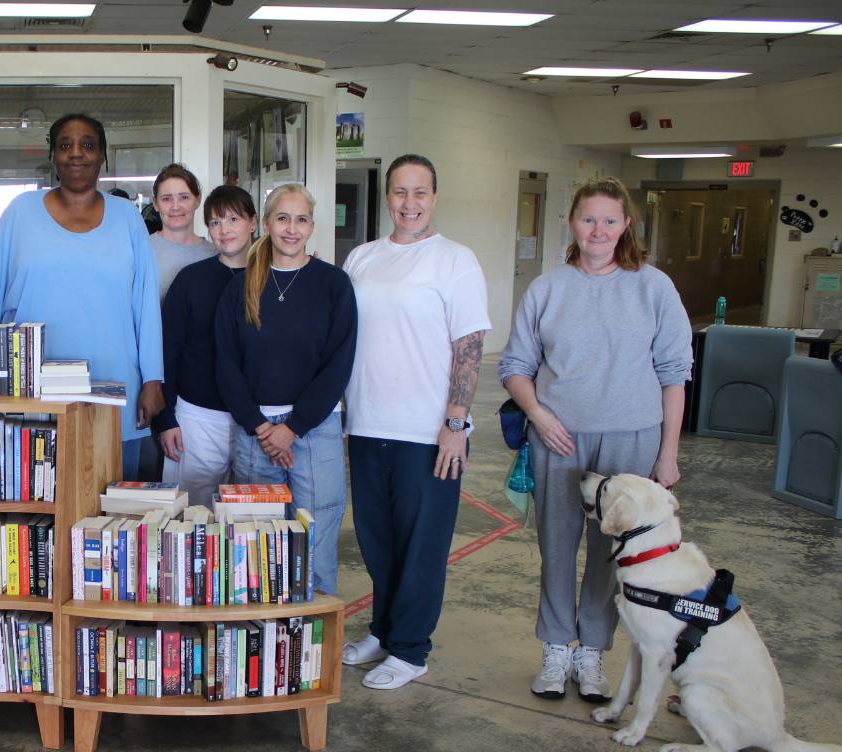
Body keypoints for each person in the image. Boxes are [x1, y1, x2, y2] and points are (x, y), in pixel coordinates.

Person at [499, 176, 691, 702]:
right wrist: (538, 414)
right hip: (559, 437)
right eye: (589, 219)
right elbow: (516, 366)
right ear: (573, 224)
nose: (598, 230)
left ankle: (593, 652)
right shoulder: (547, 288)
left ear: (627, 225)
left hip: (632, 437)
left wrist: (668, 452)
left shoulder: (654, 288)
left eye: (610, 220)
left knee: (613, 551)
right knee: (557, 546)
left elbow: (675, 372)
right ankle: (557, 647)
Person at [341, 154, 491, 691]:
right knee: (377, 539)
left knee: (422, 543)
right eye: (400, 192)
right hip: (367, 422)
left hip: (427, 430)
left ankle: (411, 649)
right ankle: (384, 630)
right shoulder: (362, 258)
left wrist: (456, 421)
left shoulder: (454, 260)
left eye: (420, 192)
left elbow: (469, 345)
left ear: (434, 197)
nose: (409, 203)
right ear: (387, 197)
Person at [0, 112, 165, 481]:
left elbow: (145, 304)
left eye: (87, 145)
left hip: (117, 391)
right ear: (53, 157)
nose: (76, 153)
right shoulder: (19, 213)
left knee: (113, 514)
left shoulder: (127, 217)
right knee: (40, 505)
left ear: (103, 156)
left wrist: (153, 379)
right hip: (33, 388)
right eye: (65, 145)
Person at [214, 183, 357, 598]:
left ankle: (313, 633)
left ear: (312, 225)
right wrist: (261, 426)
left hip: (315, 430)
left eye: (301, 219)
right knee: (256, 540)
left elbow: (338, 365)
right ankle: (260, 637)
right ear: (266, 223)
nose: (291, 229)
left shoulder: (334, 285)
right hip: (254, 431)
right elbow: (226, 364)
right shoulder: (241, 286)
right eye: (282, 218)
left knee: (317, 530)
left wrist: (291, 427)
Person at [153, 184, 256, 506]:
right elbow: (168, 349)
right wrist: (166, 419)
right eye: (214, 222)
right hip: (197, 418)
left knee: (249, 525)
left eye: (233, 220)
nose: (223, 231)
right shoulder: (191, 279)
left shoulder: (274, 278)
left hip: (258, 420)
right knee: (188, 519)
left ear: (253, 222)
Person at [149, 163, 216, 301]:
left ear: (197, 200)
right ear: (155, 203)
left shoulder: (214, 254)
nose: (175, 206)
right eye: (166, 199)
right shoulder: (142, 251)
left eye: (184, 197)